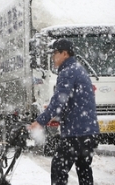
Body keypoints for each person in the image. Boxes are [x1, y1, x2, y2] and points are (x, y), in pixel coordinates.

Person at [28, 38, 100, 185]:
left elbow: (59, 101)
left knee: (58, 168)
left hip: (76, 133)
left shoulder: (68, 71)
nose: (53, 57)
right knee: (84, 169)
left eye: (55, 53)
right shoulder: (78, 69)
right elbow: (73, 102)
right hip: (88, 131)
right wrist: (59, 117)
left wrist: (40, 121)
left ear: (64, 53)